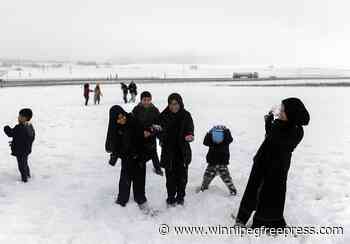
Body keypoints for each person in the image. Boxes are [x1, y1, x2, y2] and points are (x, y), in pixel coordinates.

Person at [234, 98, 310, 229]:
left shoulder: (296, 131)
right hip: (262, 163)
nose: (280, 112)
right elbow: (272, 136)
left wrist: (272, 124)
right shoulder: (282, 124)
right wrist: (269, 124)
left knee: (269, 195)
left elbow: (278, 138)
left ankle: (264, 222)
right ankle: (242, 218)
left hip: (276, 169)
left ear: (291, 113)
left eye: (283, 110)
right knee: (252, 190)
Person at [105, 105, 151, 213]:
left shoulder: (133, 121)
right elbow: (112, 145)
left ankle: (140, 199)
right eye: (118, 119)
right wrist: (116, 155)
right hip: (127, 158)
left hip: (139, 156)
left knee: (139, 180)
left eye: (122, 116)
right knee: (125, 179)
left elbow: (145, 135)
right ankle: (122, 200)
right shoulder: (115, 128)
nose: (122, 119)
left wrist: (147, 134)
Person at [156, 93, 194, 206]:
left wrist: (190, 135)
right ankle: (171, 197)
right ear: (168, 105)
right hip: (169, 152)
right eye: (171, 104)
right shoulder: (163, 115)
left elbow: (190, 129)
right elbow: (158, 130)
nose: (174, 106)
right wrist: (162, 136)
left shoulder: (186, 115)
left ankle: (181, 196)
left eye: (176, 104)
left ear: (180, 103)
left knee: (182, 177)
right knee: (170, 177)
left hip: (182, 151)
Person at [196, 125, 237, 195]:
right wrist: (226, 131)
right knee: (225, 178)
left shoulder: (217, 141)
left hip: (216, 163)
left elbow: (205, 142)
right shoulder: (221, 141)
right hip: (218, 164)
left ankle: (203, 188)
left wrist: (209, 133)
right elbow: (230, 139)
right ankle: (232, 190)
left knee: (208, 177)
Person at [132, 91, 163, 176]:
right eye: (144, 100)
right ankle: (139, 167)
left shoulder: (155, 110)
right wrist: (141, 132)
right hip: (139, 136)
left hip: (151, 136)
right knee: (139, 153)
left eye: (148, 100)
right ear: (141, 100)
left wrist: (151, 132)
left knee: (153, 152)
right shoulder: (136, 109)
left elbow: (159, 125)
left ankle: (157, 168)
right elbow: (132, 123)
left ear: (151, 100)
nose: (146, 102)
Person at [3, 108, 35, 183]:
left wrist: (6, 128)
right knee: (25, 163)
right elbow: (31, 137)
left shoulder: (19, 127)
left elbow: (11, 133)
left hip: (20, 151)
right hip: (26, 150)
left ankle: (24, 180)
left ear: (25, 118)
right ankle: (28, 175)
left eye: (20, 116)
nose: (18, 117)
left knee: (21, 165)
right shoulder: (30, 126)